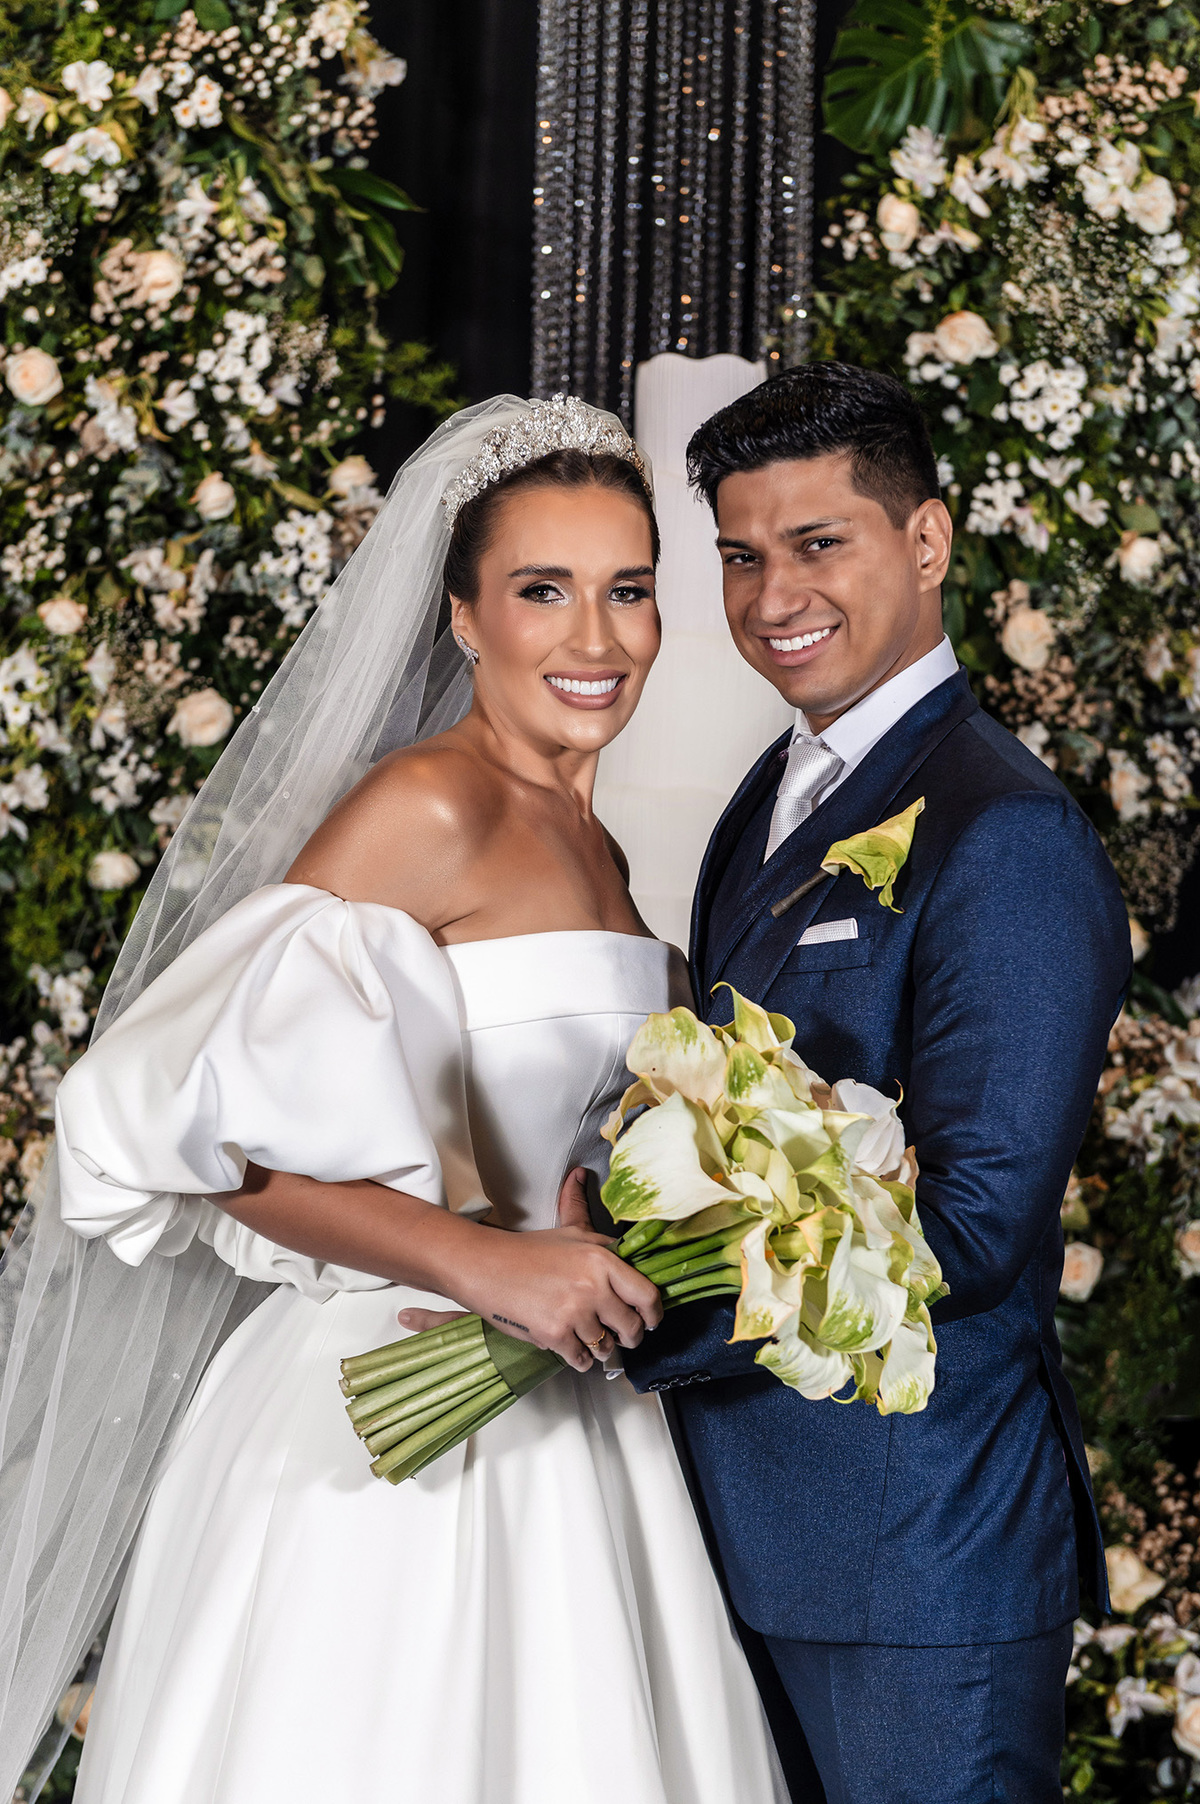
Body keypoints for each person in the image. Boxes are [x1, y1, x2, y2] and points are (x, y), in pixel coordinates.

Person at [2, 398, 784, 1804]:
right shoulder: (428, 808)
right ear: (465, 617)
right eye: (542, 590)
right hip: (390, 1418)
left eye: (627, 590)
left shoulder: (597, 843)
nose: (596, 639)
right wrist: (483, 1261)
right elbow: (164, 1126)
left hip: (570, 1408)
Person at [623, 362, 1132, 1804]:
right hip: (746, 1537)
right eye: (740, 557)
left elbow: (971, 1229)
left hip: (918, 1558)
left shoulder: (1004, 830)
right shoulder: (776, 788)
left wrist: (626, 1310)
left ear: (927, 540)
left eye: (817, 543)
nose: (773, 596)